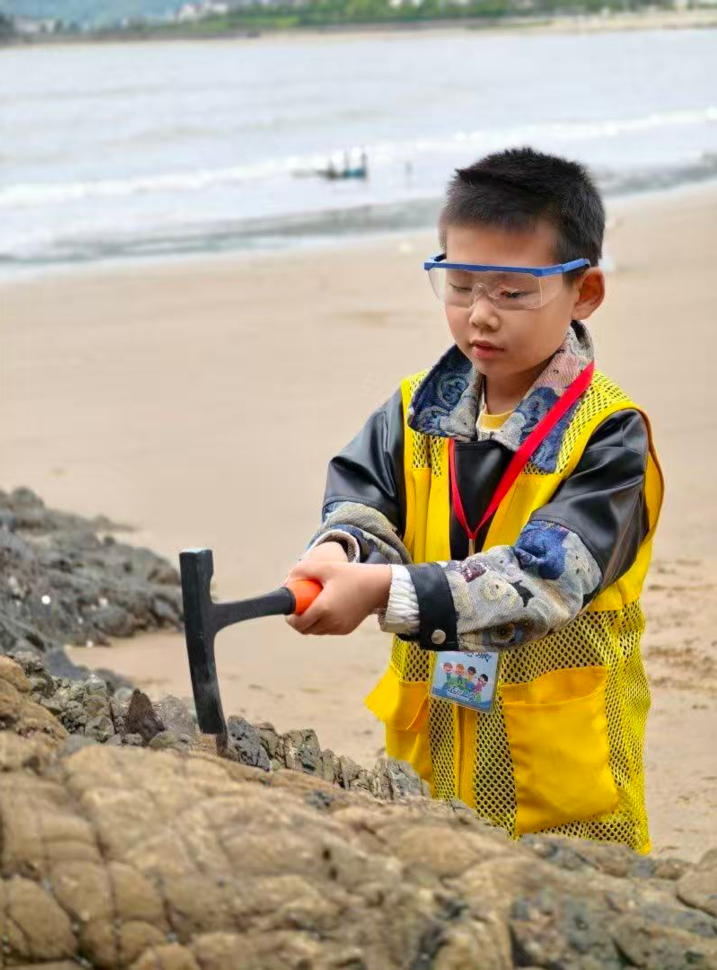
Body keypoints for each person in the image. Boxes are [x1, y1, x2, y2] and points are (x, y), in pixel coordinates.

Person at [283, 147, 664, 853]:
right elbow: (363, 500)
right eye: (460, 286)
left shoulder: (609, 436)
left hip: (563, 799)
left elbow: (545, 579)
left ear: (584, 291)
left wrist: (383, 591)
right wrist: (340, 554)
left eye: (513, 293)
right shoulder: (412, 411)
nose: (480, 316)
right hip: (430, 772)